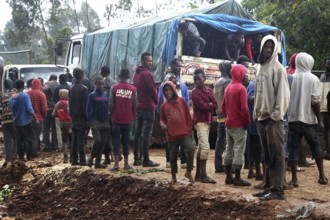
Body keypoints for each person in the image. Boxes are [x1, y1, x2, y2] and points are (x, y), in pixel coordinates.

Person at [252, 35, 290, 201]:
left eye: (270, 47)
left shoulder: (278, 68)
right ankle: (268, 186)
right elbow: (258, 94)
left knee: (276, 155)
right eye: (265, 47)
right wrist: (256, 113)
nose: (268, 50)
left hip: (273, 120)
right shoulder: (260, 68)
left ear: (274, 49)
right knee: (267, 154)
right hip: (261, 118)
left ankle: (277, 190)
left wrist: (275, 116)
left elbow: (283, 95)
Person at [287, 52, 328, 187]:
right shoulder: (313, 79)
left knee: (293, 148)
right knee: (315, 146)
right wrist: (319, 120)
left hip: (293, 118)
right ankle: (322, 175)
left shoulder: (291, 78)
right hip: (309, 119)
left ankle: (294, 179)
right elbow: (315, 101)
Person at [160, 81, 195, 184]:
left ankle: (188, 172)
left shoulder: (181, 101)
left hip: (184, 133)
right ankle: (173, 175)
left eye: (170, 90)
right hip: (172, 134)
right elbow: (161, 119)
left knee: (191, 149)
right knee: (173, 156)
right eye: (166, 91)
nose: (168, 92)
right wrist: (162, 124)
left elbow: (188, 116)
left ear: (174, 90)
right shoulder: (164, 106)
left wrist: (189, 129)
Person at [222, 64, 251, 186]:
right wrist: (247, 121)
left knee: (229, 148)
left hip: (229, 124)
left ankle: (229, 176)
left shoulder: (228, 87)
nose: (246, 75)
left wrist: (228, 116)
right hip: (239, 124)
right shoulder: (241, 88)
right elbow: (244, 109)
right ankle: (238, 177)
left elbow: (223, 106)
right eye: (244, 73)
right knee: (239, 150)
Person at [158, 58, 190, 169]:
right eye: (177, 66)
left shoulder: (182, 84)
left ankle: (183, 161)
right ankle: (169, 160)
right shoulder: (164, 84)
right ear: (172, 66)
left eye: (180, 66)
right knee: (170, 138)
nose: (179, 68)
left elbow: (186, 100)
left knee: (182, 136)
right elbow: (160, 99)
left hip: (180, 115)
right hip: (169, 114)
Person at [133, 52, 159, 167]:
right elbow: (153, 90)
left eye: (151, 60)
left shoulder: (136, 73)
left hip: (139, 107)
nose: (150, 63)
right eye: (148, 60)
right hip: (148, 107)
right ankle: (146, 160)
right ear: (143, 61)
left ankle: (136, 158)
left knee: (137, 133)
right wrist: (156, 102)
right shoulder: (147, 74)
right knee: (146, 134)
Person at [191, 68, 217, 184]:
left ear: (204, 79)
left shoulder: (208, 90)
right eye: (195, 79)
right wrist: (210, 104)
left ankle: (198, 174)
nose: (197, 81)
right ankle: (204, 174)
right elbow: (203, 106)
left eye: (199, 79)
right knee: (205, 147)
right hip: (200, 122)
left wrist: (209, 105)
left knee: (201, 147)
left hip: (207, 121)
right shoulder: (195, 92)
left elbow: (215, 105)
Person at [109, 68, 137, 171]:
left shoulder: (114, 88)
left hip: (116, 119)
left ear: (119, 76)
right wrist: (133, 115)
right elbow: (135, 104)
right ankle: (126, 164)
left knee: (116, 140)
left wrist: (111, 114)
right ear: (128, 77)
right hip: (127, 119)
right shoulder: (133, 89)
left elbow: (111, 103)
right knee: (126, 141)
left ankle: (116, 164)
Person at [9, 80, 38, 161]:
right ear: (23, 86)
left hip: (16, 122)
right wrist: (35, 118)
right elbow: (29, 109)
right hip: (26, 121)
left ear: (16, 87)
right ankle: (30, 156)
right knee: (30, 139)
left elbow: (12, 110)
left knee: (20, 140)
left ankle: (21, 156)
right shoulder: (25, 96)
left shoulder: (11, 99)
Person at [86, 76, 110, 169]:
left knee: (103, 143)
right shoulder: (92, 95)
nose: (100, 85)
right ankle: (91, 158)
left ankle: (98, 162)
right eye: (99, 84)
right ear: (95, 84)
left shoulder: (105, 94)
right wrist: (90, 120)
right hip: (95, 121)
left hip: (105, 122)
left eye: (102, 84)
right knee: (98, 140)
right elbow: (88, 109)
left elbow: (108, 107)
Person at [213, 61, 232, 173]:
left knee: (220, 140)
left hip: (219, 114)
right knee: (227, 141)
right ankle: (228, 166)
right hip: (227, 114)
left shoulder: (217, 82)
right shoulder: (228, 82)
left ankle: (218, 165)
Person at [69, 68, 89, 166]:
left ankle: (74, 159)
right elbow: (85, 106)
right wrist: (87, 118)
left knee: (75, 139)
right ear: (81, 76)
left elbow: (70, 104)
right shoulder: (84, 89)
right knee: (81, 140)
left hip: (73, 117)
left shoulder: (71, 88)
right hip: (81, 117)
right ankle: (82, 159)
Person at [100, 65, 118, 165]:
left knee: (105, 136)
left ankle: (107, 157)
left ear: (102, 72)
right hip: (114, 113)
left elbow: (102, 98)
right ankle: (115, 155)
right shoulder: (115, 83)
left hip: (104, 112)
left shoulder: (100, 83)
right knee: (114, 134)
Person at [27, 78, 48, 157]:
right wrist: (43, 116)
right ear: (40, 85)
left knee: (29, 136)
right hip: (38, 119)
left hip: (28, 119)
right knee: (36, 136)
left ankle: (28, 153)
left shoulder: (27, 94)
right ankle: (33, 153)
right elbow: (44, 109)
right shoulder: (42, 94)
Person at [0, 79, 17, 166]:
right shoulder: (16, 94)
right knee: (16, 138)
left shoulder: (2, 95)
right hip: (14, 119)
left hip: (5, 120)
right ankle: (14, 155)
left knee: (7, 140)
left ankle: (9, 157)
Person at [52, 89, 72, 163]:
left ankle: (65, 156)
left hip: (62, 124)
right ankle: (72, 157)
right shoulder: (68, 103)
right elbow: (70, 112)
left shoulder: (57, 104)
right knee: (71, 140)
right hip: (70, 123)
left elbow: (53, 114)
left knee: (64, 140)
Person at [43, 75, 59, 151]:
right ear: (56, 78)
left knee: (46, 127)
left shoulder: (46, 84)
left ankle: (46, 144)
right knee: (54, 127)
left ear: (50, 78)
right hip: (56, 109)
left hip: (47, 108)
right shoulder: (58, 84)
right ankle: (55, 144)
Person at [320, 56, 330, 160]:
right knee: (325, 132)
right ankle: (327, 151)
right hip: (323, 108)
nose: (328, 65)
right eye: (327, 63)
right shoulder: (322, 76)